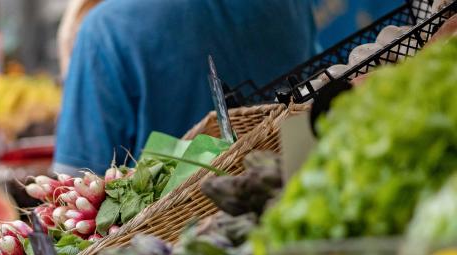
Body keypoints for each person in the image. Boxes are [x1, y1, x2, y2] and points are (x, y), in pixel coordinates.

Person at [53, 0, 317, 175]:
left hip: (174, 242)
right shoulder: (290, 5)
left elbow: (74, 185)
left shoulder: (106, 28)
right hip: (298, 217)